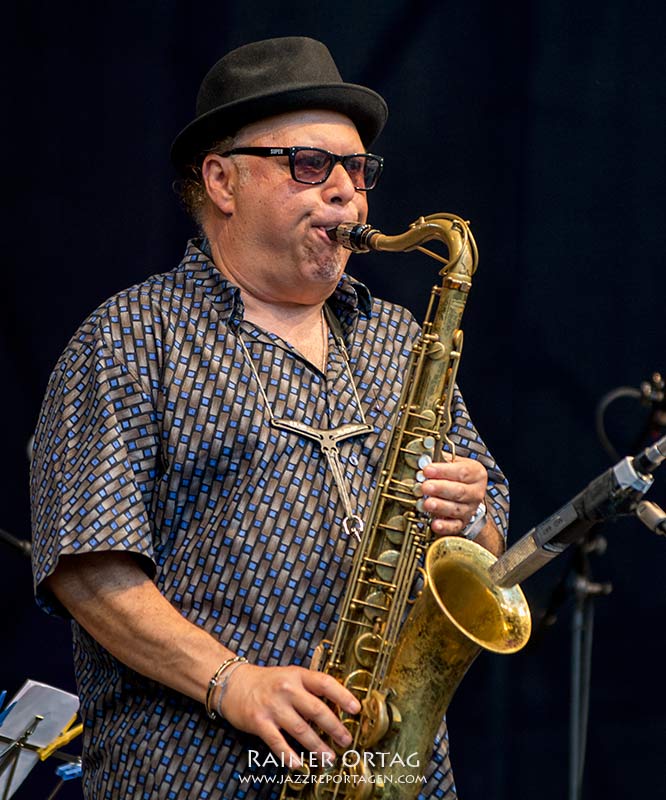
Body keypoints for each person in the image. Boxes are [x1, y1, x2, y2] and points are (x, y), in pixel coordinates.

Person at [30, 37, 508, 800]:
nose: (347, 193)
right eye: (310, 165)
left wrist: (472, 510)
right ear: (222, 180)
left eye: (358, 170)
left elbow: (486, 544)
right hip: (192, 770)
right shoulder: (127, 338)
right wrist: (235, 684)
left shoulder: (396, 336)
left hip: (386, 768)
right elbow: (86, 567)